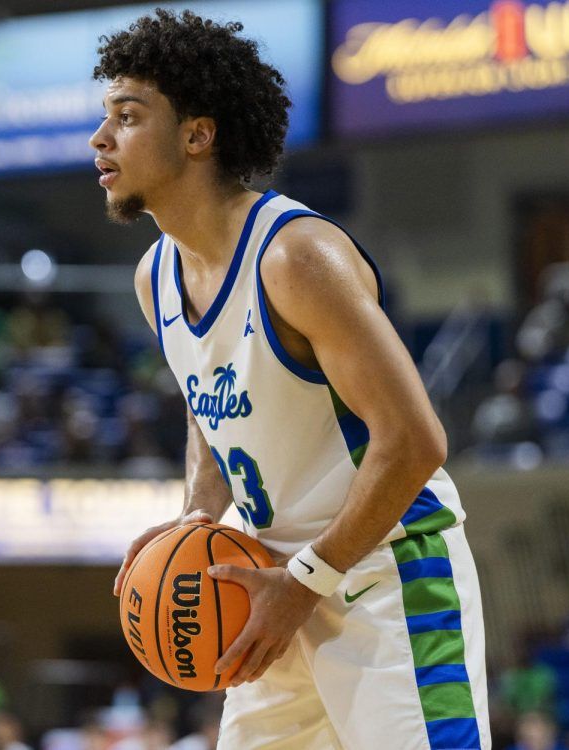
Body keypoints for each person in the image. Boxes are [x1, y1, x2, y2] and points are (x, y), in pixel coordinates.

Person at [94, 10, 489, 749]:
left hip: (385, 574)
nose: (100, 137)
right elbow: (210, 406)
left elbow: (415, 440)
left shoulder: (296, 257)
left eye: (127, 116)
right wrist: (199, 514)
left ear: (197, 135)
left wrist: (307, 581)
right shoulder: (156, 277)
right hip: (270, 579)